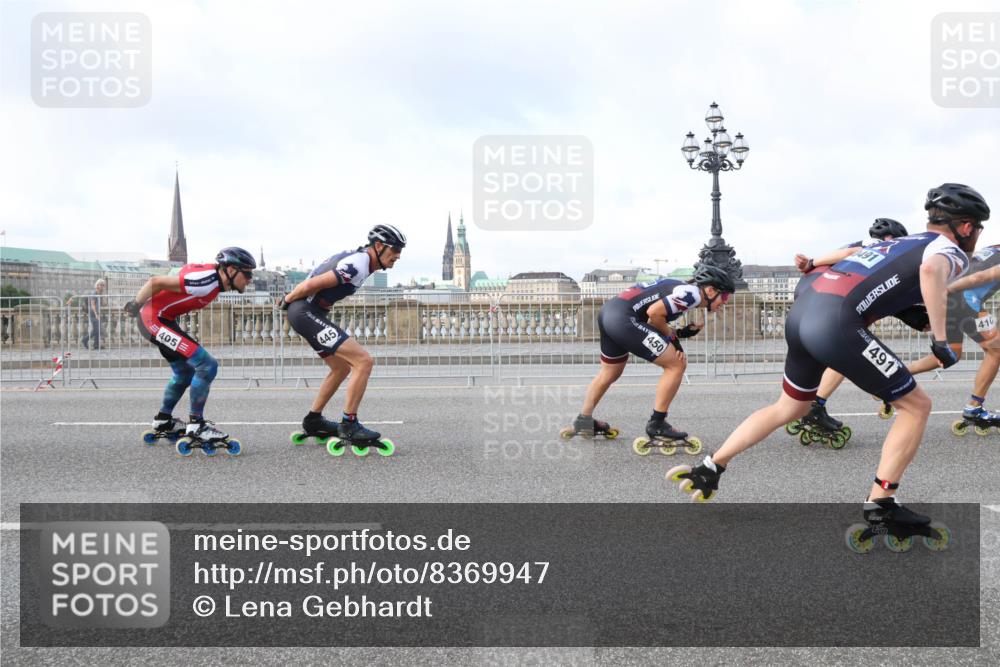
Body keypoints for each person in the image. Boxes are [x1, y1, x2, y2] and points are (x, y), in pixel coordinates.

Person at [669, 183, 988, 543]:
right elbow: (931, 273)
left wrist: (814, 262)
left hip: (804, 310)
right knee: (916, 406)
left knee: (789, 406)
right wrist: (941, 339)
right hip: (835, 323)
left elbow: (853, 255)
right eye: (978, 228)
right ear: (965, 227)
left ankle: (711, 466)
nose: (976, 236)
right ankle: (882, 503)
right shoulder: (949, 250)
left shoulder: (894, 242)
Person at [788, 218, 926, 444]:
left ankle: (805, 402)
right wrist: (811, 261)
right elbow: (853, 255)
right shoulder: (877, 247)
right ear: (891, 239)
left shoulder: (858, 250)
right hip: (828, 298)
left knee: (826, 354)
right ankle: (815, 405)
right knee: (848, 350)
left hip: (810, 291)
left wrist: (812, 262)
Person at [565, 264, 735, 444]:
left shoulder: (679, 286)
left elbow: (652, 320)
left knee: (610, 372)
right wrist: (675, 342)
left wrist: (678, 334)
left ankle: (584, 419)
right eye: (724, 296)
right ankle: (657, 424)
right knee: (676, 365)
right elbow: (653, 314)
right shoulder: (692, 294)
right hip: (623, 319)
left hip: (610, 313)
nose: (725, 301)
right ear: (709, 290)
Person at [281, 224, 405, 447]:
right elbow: (312, 283)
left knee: (341, 368)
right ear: (378, 246)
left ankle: (313, 420)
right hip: (304, 312)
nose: (397, 256)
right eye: (394, 251)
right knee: (363, 361)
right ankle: (349, 424)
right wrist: (288, 299)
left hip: (308, 313)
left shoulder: (362, 262)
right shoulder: (357, 264)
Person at [123, 247, 256, 445]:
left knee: (184, 373)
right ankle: (197, 425)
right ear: (230, 270)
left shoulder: (213, 279)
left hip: (162, 319)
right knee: (207, 365)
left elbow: (184, 272)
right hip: (154, 320)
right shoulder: (206, 281)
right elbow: (155, 282)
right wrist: (135, 304)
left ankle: (163, 420)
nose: (250, 279)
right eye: (247, 274)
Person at [922, 243, 1000, 432]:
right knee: (996, 350)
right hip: (965, 299)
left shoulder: (993, 248)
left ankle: (898, 375)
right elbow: (980, 277)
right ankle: (974, 407)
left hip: (953, 299)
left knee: (953, 354)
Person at [82, 278, 106, 350]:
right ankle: (85, 340)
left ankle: (96, 345)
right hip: (93, 313)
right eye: (101, 285)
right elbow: (93, 305)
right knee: (95, 330)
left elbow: (103, 304)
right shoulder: (94, 293)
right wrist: (96, 314)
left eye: (103, 285)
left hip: (97, 313)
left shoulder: (99, 294)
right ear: (97, 285)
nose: (102, 286)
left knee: (97, 330)